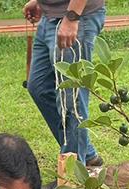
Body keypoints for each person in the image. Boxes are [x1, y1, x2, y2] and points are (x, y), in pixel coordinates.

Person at [23, 0, 105, 167]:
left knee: (71, 101)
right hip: (50, 18)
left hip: (74, 18)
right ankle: (86, 154)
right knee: (38, 87)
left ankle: (74, 177)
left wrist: (72, 17)